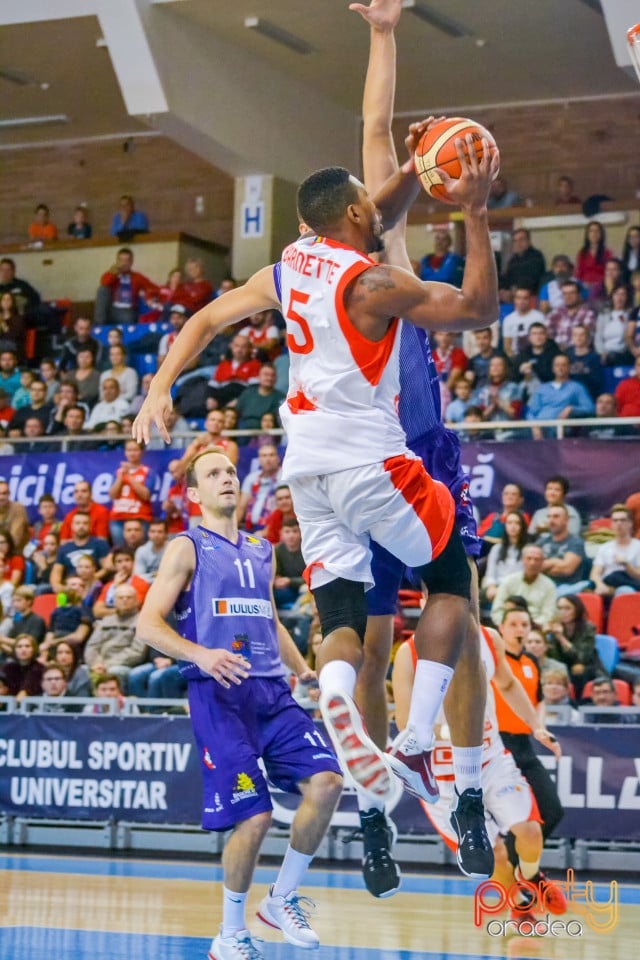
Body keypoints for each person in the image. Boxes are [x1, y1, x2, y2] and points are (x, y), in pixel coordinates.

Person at [133, 59, 500, 875]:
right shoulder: (377, 281)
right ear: (358, 216)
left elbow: (206, 318)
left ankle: (353, 720)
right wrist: (473, 211)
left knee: (341, 623)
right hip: (381, 455)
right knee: (451, 587)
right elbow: (478, 309)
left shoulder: (291, 261)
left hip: (307, 468)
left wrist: (159, 387)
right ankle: (410, 742)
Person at [136, 450, 343, 957]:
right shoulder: (187, 547)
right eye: (213, 474)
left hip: (273, 691)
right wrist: (201, 655)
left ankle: (282, 897)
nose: (226, 478)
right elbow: (147, 625)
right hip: (220, 697)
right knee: (253, 817)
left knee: (328, 781)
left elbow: (268, 616)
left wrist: (302, 668)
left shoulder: (261, 548)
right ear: (193, 494)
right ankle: (230, 934)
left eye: (230, 471)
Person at [392, 623, 564, 912]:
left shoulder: (488, 637)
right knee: (493, 854)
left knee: (531, 833)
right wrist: (457, 732)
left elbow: (507, 684)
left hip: (491, 759)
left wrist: (537, 727)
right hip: (443, 775)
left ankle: (531, 876)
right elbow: (404, 721)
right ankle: (518, 906)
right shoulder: (409, 653)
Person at [494, 608, 564, 863]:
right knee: (517, 817)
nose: (519, 629)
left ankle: (518, 864)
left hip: (524, 745)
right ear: (501, 628)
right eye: (513, 624)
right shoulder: (492, 662)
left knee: (552, 811)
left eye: (524, 624)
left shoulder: (531, 662)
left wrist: (540, 726)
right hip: (499, 745)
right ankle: (517, 872)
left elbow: (539, 700)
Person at [83, 584, 146, 691]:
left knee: (114, 672)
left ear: (137, 601)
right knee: (81, 671)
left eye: (129, 597)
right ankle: (85, 707)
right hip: (99, 663)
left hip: (124, 665)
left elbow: (137, 652)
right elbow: (92, 646)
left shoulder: (142, 621)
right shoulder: (106, 620)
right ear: (114, 601)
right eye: (121, 598)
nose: (124, 600)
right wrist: (96, 663)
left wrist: (107, 665)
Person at [545, 595, 604, 700]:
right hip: (563, 666)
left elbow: (582, 658)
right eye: (559, 608)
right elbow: (555, 658)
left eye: (567, 608)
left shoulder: (588, 628)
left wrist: (561, 638)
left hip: (589, 666)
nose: (562, 612)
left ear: (577, 610)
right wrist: (545, 635)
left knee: (578, 671)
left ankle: (577, 704)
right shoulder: (554, 627)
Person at [527, 353, 594, 439]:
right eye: (557, 365)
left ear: (569, 367)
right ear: (553, 368)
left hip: (559, 429)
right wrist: (534, 426)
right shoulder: (542, 388)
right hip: (537, 428)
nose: (560, 368)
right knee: (509, 437)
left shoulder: (577, 387)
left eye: (563, 365)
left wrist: (572, 409)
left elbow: (590, 408)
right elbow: (531, 412)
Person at [491, 544, 557, 628]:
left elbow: (548, 615)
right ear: (522, 560)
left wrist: (529, 626)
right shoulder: (509, 581)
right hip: (509, 627)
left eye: (537, 559)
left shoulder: (549, 586)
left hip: (536, 629)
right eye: (529, 558)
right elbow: (497, 611)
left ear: (542, 562)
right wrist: (505, 626)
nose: (532, 563)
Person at [107, 439, 157, 543]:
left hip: (140, 516)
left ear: (141, 452)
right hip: (118, 517)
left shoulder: (148, 472)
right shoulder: (118, 472)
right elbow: (112, 495)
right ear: (125, 452)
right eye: (129, 450)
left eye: (135, 450)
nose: (132, 453)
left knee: (140, 548)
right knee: (120, 550)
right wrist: (121, 477)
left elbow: (146, 495)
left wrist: (129, 476)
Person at [95, 247, 159, 327]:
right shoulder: (111, 275)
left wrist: (148, 296)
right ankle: (99, 327)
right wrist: (113, 273)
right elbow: (104, 283)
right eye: (121, 260)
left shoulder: (137, 277)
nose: (124, 263)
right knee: (103, 289)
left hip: (129, 311)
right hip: (112, 310)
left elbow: (154, 288)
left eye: (127, 260)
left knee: (128, 317)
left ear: (131, 262)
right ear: (117, 261)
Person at [50, 511, 111, 594]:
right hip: (70, 587)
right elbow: (56, 572)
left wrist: (90, 579)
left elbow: (106, 569)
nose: (81, 526)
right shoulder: (65, 548)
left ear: (90, 526)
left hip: (93, 587)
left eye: (85, 523)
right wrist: (57, 586)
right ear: (72, 526)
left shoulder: (100, 544)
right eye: (77, 523)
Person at [535, 504, 590, 596]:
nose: (551, 521)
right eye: (549, 517)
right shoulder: (541, 542)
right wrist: (556, 562)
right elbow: (532, 567)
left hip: (567, 589)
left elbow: (566, 569)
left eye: (556, 517)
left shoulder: (575, 542)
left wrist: (546, 565)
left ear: (566, 520)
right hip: (542, 587)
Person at [591, 504, 640, 598]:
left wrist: (627, 565)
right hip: (606, 584)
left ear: (630, 523)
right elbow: (595, 573)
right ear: (611, 524)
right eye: (615, 521)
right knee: (580, 587)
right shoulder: (604, 547)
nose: (619, 524)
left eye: (623, 520)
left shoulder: (638, 546)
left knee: (624, 591)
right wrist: (599, 584)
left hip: (629, 584)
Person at [481, 511, 529, 605]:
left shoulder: (528, 549)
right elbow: (491, 573)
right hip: (497, 587)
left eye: (517, 523)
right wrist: (491, 586)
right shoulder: (497, 548)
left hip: (518, 588)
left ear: (522, 526)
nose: (513, 526)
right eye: (510, 523)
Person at [92, 545, 150, 619]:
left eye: (127, 560)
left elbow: (129, 609)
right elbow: (97, 611)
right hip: (110, 623)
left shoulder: (141, 583)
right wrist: (117, 611)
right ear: (115, 565)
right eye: (119, 561)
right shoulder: (109, 585)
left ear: (133, 563)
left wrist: (118, 587)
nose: (124, 565)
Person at [236, 443, 282, 533]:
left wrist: (265, 532)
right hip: (251, 528)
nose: (268, 459)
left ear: (278, 458)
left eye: (271, 455)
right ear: (259, 460)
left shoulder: (284, 476)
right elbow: (241, 507)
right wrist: (231, 530)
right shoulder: (251, 478)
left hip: (276, 529)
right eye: (264, 456)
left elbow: (287, 511)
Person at [234, 363, 285, 441]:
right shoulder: (247, 393)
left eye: (273, 375)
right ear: (258, 377)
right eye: (266, 375)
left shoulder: (281, 398)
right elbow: (236, 413)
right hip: (244, 434)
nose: (269, 378)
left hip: (269, 437)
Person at [500, 229, 546, 299]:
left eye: (521, 239)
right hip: (513, 296)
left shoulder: (536, 256)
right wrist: (502, 289)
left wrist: (514, 290)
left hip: (530, 296)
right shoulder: (513, 259)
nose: (518, 243)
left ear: (529, 241)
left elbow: (532, 278)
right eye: (515, 241)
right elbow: (507, 277)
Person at [501, 288, 546, 357]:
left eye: (525, 298)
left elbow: (545, 340)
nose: (522, 301)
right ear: (514, 300)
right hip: (516, 357)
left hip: (538, 356)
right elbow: (507, 347)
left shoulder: (539, 317)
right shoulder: (508, 320)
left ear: (530, 300)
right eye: (518, 298)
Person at [273, 518, 306, 609]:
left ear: (301, 533)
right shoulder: (278, 550)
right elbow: (276, 572)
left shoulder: (306, 549)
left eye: (295, 531)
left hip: (304, 588)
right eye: (287, 532)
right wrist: (277, 579)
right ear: (281, 534)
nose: (291, 535)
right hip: (286, 589)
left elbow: (312, 577)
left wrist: (289, 581)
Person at [3, 634, 44, 699]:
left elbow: (24, 693)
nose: (23, 649)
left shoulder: (40, 668)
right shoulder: (7, 668)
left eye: (27, 646)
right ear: (15, 650)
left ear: (34, 649)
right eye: (19, 646)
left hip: (31, 705)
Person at [575, 221, 613, 291]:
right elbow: (579, 273)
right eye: (591, 231)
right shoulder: (582, 253)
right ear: (587, 234)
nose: (594, 234)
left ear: (601, 234)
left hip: (601, 287)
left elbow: (609, 273)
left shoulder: (607, 253)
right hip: (585, 286)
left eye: (597, 231)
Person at [0, 479, 29, 552]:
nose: (1, 497)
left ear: (9, 494)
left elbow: (14, 540)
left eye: (4, 493)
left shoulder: (17, 508)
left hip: (15, 553)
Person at [614, 354, 640, 420]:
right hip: (627, 425)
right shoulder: (624, 385)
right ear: (635, 367)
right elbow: (616, 407)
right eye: (639, 365)